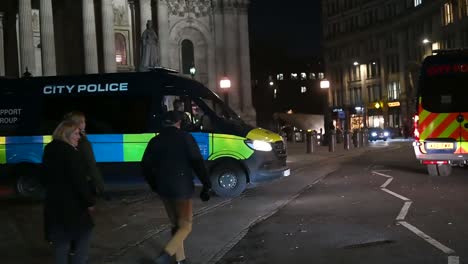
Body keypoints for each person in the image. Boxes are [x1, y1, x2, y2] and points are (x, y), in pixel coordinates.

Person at [141, 111, 212, 264]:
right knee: (186, 226)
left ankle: (180, 259)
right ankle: (166, 255)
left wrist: (154, 184)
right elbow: (197, 162)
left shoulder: (155, 141)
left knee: (176, 225)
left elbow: (145, 166)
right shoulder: (185, 138)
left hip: (163, 188)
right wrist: (207, 183)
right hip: (182, 188)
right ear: (178, 123)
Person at [42, 120, 96, 264]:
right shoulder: (72, 153)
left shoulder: (49, 149)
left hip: (54, 206)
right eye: (77, 134)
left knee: (60, 245)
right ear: (67, 135)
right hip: (73, 209)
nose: (79, 137)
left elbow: (44, 178)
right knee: (82, 242)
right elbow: (80, 183)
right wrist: (89, 203)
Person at [63, 111, 108, 200]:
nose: (85, 124)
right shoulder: (83, 142)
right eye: (83, 122)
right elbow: (91, 165)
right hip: (82, 182)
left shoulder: (63, 139)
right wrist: (101, 188)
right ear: (78, 124)